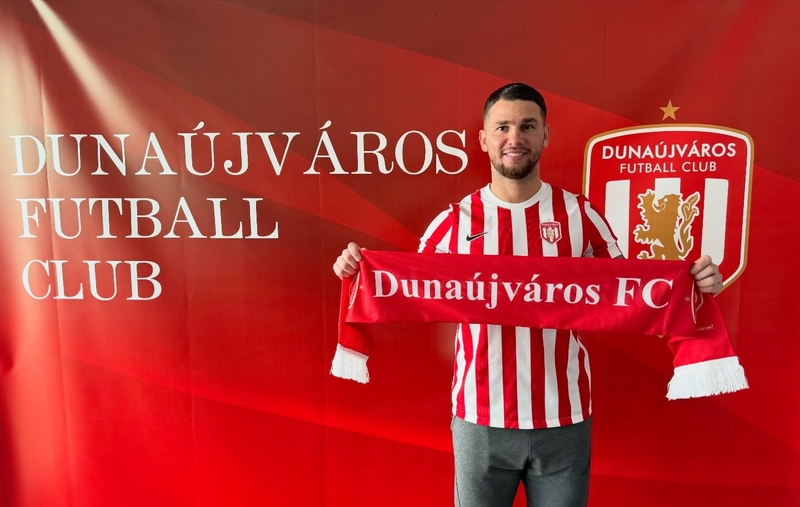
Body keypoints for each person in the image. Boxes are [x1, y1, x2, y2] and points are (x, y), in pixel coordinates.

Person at [332, 83, 723, 507]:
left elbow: (636, 293)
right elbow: (404, 286)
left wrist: (694, 284)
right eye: (502, 127)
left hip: (564, 418)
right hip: (480, 418)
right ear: (484, 139)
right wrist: (357, 272)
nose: (514, 138)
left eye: (527, 126)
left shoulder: (580, 214)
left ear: (545, 135)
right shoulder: (452, 222)